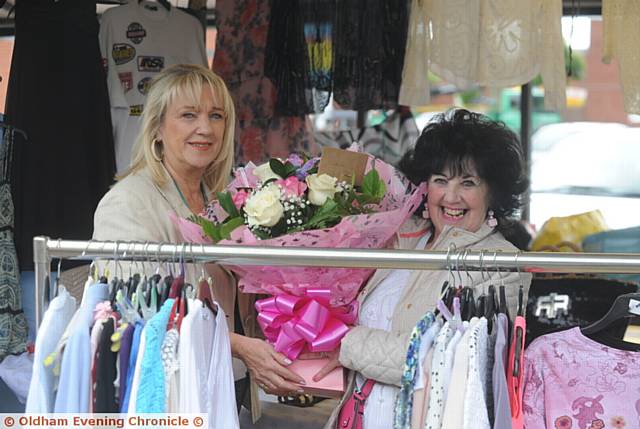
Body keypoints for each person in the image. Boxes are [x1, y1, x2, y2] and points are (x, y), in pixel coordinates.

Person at [92, 64, 305, 416]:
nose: (205, 128)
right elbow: (138, 312)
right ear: (157, 129)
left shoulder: (222, 199)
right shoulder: (127, 202)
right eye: (188, 115)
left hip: (226, 384)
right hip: (169, 391)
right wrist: (239, 346)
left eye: (216, 116)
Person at [315, 109, 533, 429]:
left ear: (493, 192)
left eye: (468, 182)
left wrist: (346, 344)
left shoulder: (503, 265)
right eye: (440, 180)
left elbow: (443, 360)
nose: (451, 196)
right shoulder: (400, 238)